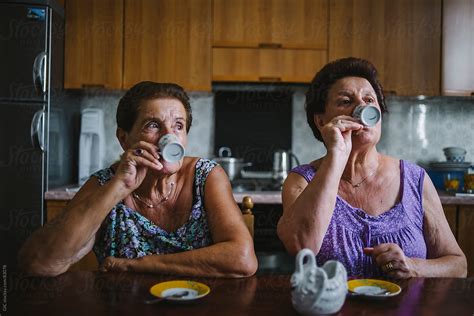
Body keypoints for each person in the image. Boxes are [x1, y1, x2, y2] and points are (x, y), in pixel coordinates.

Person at [19, 81, 257, 278]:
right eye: (153, 125)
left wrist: (135, 265)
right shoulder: (106, 183)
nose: (168, 137)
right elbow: (38, 263)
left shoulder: (206, 176)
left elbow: (242, 260)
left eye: (178, 126)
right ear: (124, 139)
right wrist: (119, 188)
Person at [277, 57, 467, 279]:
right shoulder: (302, 180)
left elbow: (458, 265)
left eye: (369, 99)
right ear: (321, 121)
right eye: (346, 101)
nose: (362, 107)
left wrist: (413, 266)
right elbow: (302, 246)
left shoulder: (415, 180)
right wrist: (337, 155)